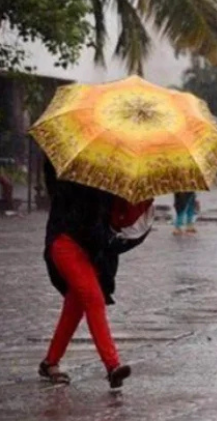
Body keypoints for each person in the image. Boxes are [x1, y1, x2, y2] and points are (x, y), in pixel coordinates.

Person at [39, 159, 154, 389]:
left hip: (91, 252)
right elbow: (57, 186)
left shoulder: (113, 178)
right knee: (93, 299)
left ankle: (50, 362)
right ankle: (112, 366)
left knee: (75, 307)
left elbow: (115, 231)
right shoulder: (69, 169)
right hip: (65, 241)